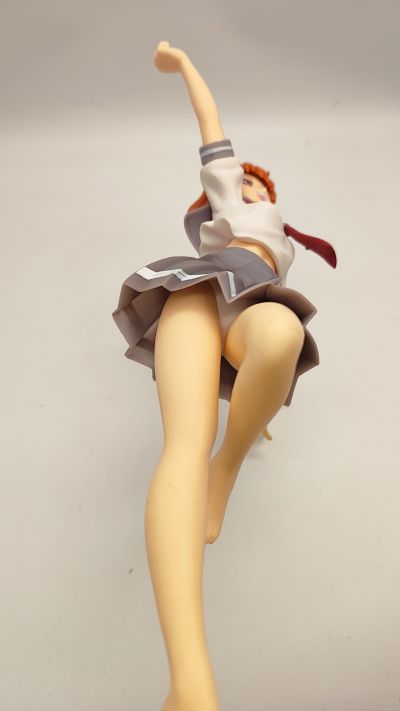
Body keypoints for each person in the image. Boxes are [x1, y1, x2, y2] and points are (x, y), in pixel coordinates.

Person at [112, 41, 336, 711]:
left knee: (282, 336)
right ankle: (189, 682)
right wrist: (183, 65)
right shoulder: (226, 200)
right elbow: (211, 126)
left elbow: (273, 331)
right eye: (245, 184)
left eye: (260, 186)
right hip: (196, 291)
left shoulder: (279, 237)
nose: (252, 188)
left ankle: (228, 463)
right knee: (183, 440)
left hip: (253, 301)